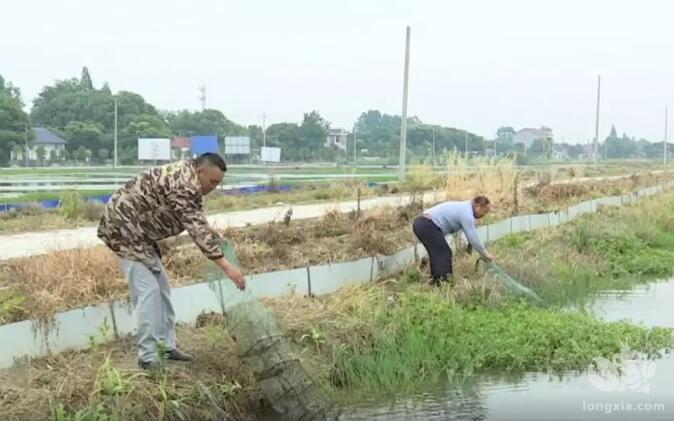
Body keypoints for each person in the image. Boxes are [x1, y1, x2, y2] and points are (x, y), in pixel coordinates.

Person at [97, 153, 246, 369]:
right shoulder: (184, 184)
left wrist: (214, 236)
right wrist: (227, 268)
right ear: (200, 171)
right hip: (123, 230)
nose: (214, 187)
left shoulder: (189, 178)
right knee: (148, 291)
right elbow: (196, 228)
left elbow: (197, 218)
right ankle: (148, 357)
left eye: (218, 183)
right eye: (212, 181)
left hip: (140, 233)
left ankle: (167, 346)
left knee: (162, 287)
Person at [412, 196, 494, 286]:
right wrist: (486, 254)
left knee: (438, 253)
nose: (483, 215)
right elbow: (473, 239)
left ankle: (436, 282)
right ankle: (444, 283)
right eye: (484, 212)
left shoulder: (465, 207)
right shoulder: (466, 213)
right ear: (478, 206)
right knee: (444, 252)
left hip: (423, 223)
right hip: (426, 224)